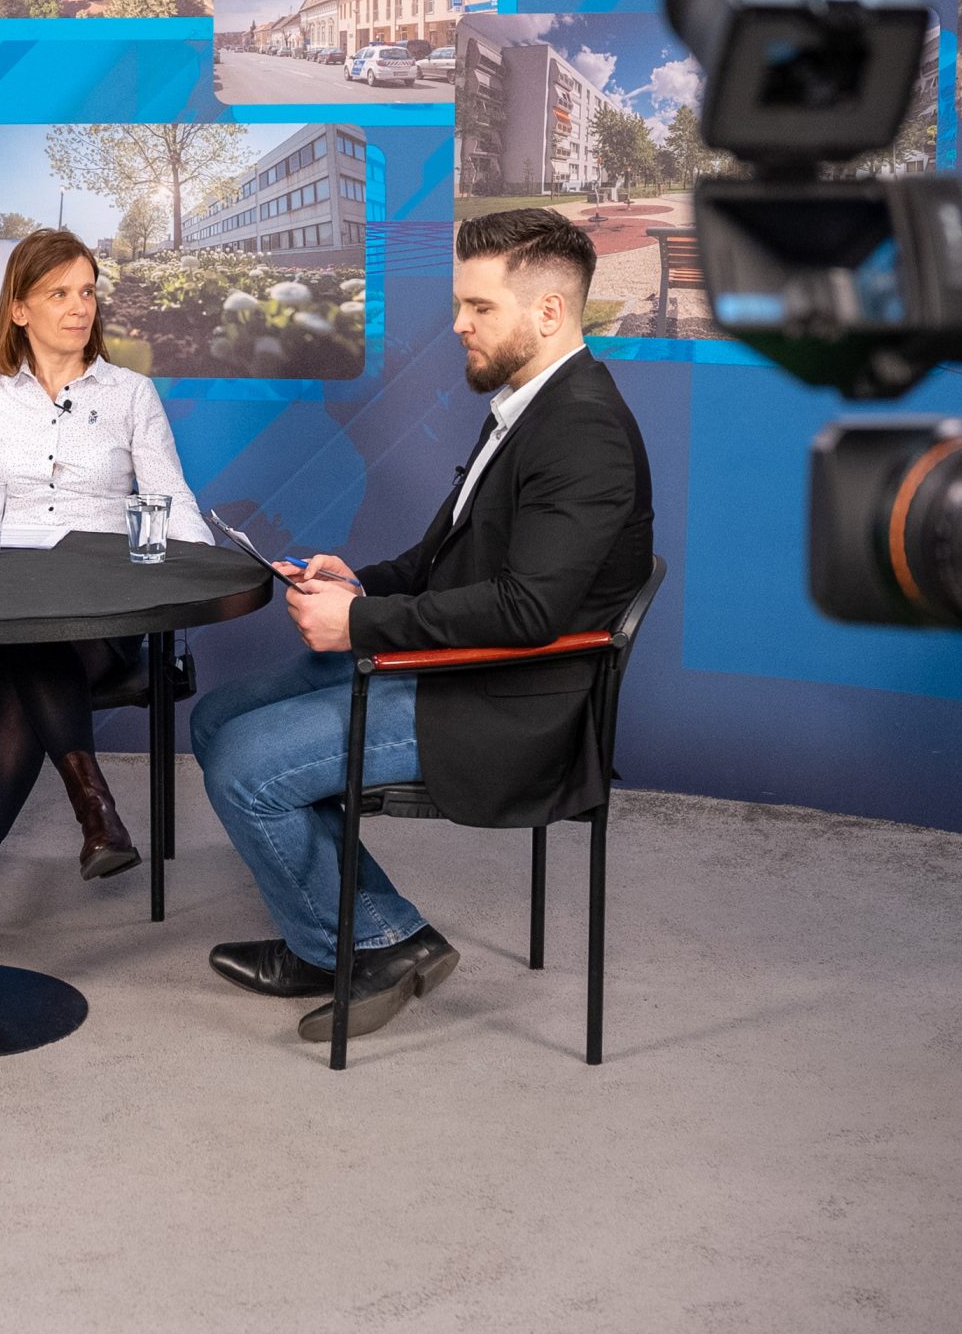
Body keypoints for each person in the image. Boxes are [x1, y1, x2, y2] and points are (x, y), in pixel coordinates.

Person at [191, 208, 654, 1044]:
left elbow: (529, 611)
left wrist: (360, 622)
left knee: (245, 767)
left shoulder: (583, 430)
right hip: (462, 665)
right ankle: (331, 933)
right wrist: (361, 582)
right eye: (459, 305)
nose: (458, 325)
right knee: (216, 718)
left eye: (479, 307)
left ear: (549, 312)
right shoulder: (528, 405)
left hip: (509, 701)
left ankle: (376, 942)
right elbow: (450, 554)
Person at [0, 228, 212, 954]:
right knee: (27, 639)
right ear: (19, 309)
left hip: (100, 615)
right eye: (59, 293)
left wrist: (204, 567)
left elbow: (171, 497)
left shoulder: (131, 394)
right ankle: (96, 813)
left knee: (32, 656)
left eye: (87, 291)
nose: (79, 307)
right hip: (0, 604)